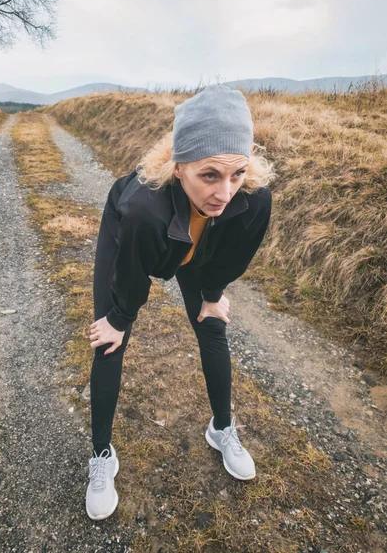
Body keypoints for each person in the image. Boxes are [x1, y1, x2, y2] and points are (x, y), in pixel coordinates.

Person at [85, 84, 275, 521]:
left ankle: (222, 428)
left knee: (213, 326)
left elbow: (231, 257)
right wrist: (117, 317)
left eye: (236, 174)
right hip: (140, 239)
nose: (225, 192)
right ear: (178, 166)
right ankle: (101, 456)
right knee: (109, 342)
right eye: (210, 175)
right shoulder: (141, 208)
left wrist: (211, 297)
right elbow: (133, 274)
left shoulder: (253, 196)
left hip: (195, 244)